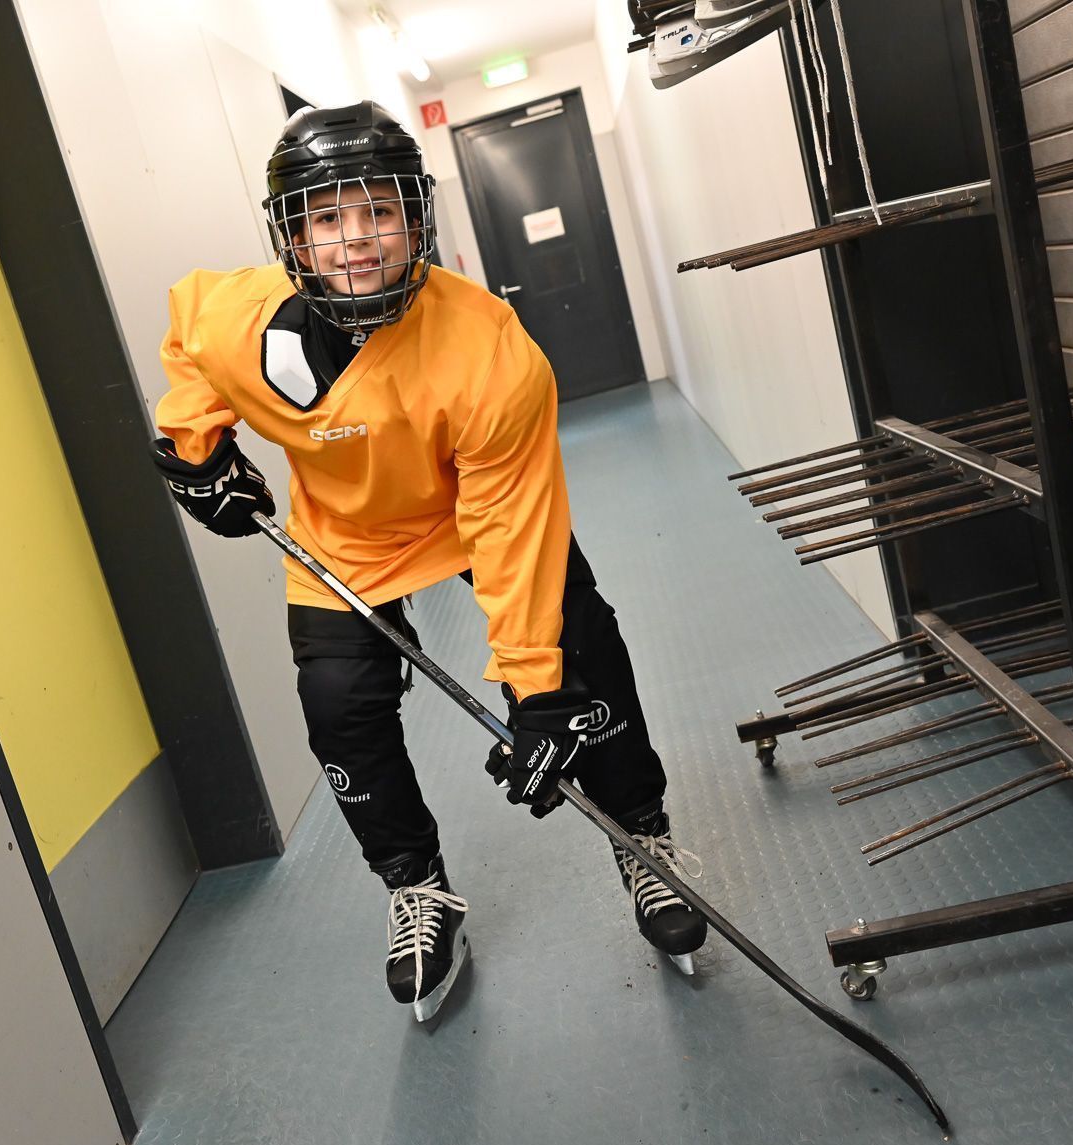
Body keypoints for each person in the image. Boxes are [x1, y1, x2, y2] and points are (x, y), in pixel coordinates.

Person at [151, 102, 704, 1022]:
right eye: (327, 217)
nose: (357, 239)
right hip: (344, 537)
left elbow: (509, 526)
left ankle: (645, 841)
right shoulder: (235, 321)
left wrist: (536, 696)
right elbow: (187, 350)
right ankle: (418, 889)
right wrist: (194, 456)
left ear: (418, 217)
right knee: (339, 710)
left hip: (471, 516)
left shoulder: (489, 351)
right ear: (292, 235)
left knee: (582, 658)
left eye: (378, 210)